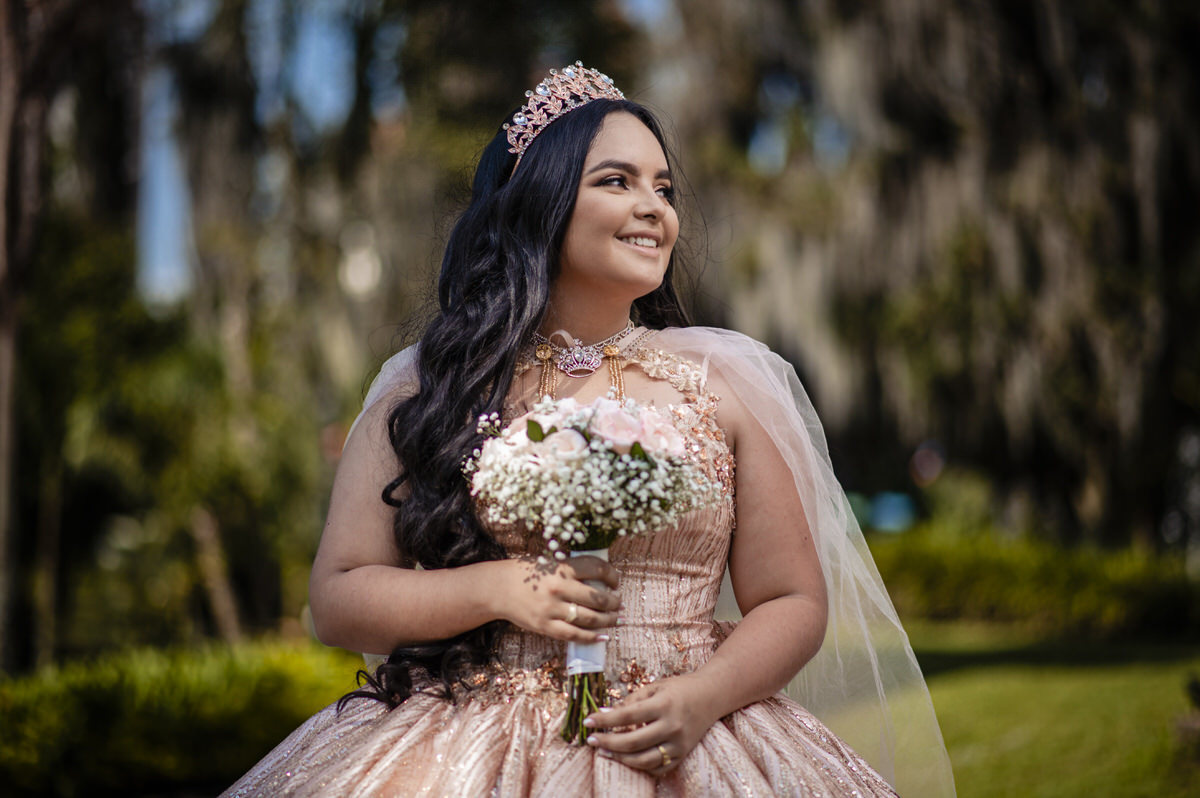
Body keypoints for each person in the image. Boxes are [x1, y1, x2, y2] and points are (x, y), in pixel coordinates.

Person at [223, 63, 955, 797]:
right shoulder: (431, 384)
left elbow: (792, 602)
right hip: (470, 743)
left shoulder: (727, 382)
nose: (654, 209)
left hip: (686, 735)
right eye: (617, 182)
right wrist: (500, 588)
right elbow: (339, 599)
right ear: (540, 202)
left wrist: (702, 698)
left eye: (663, 189)